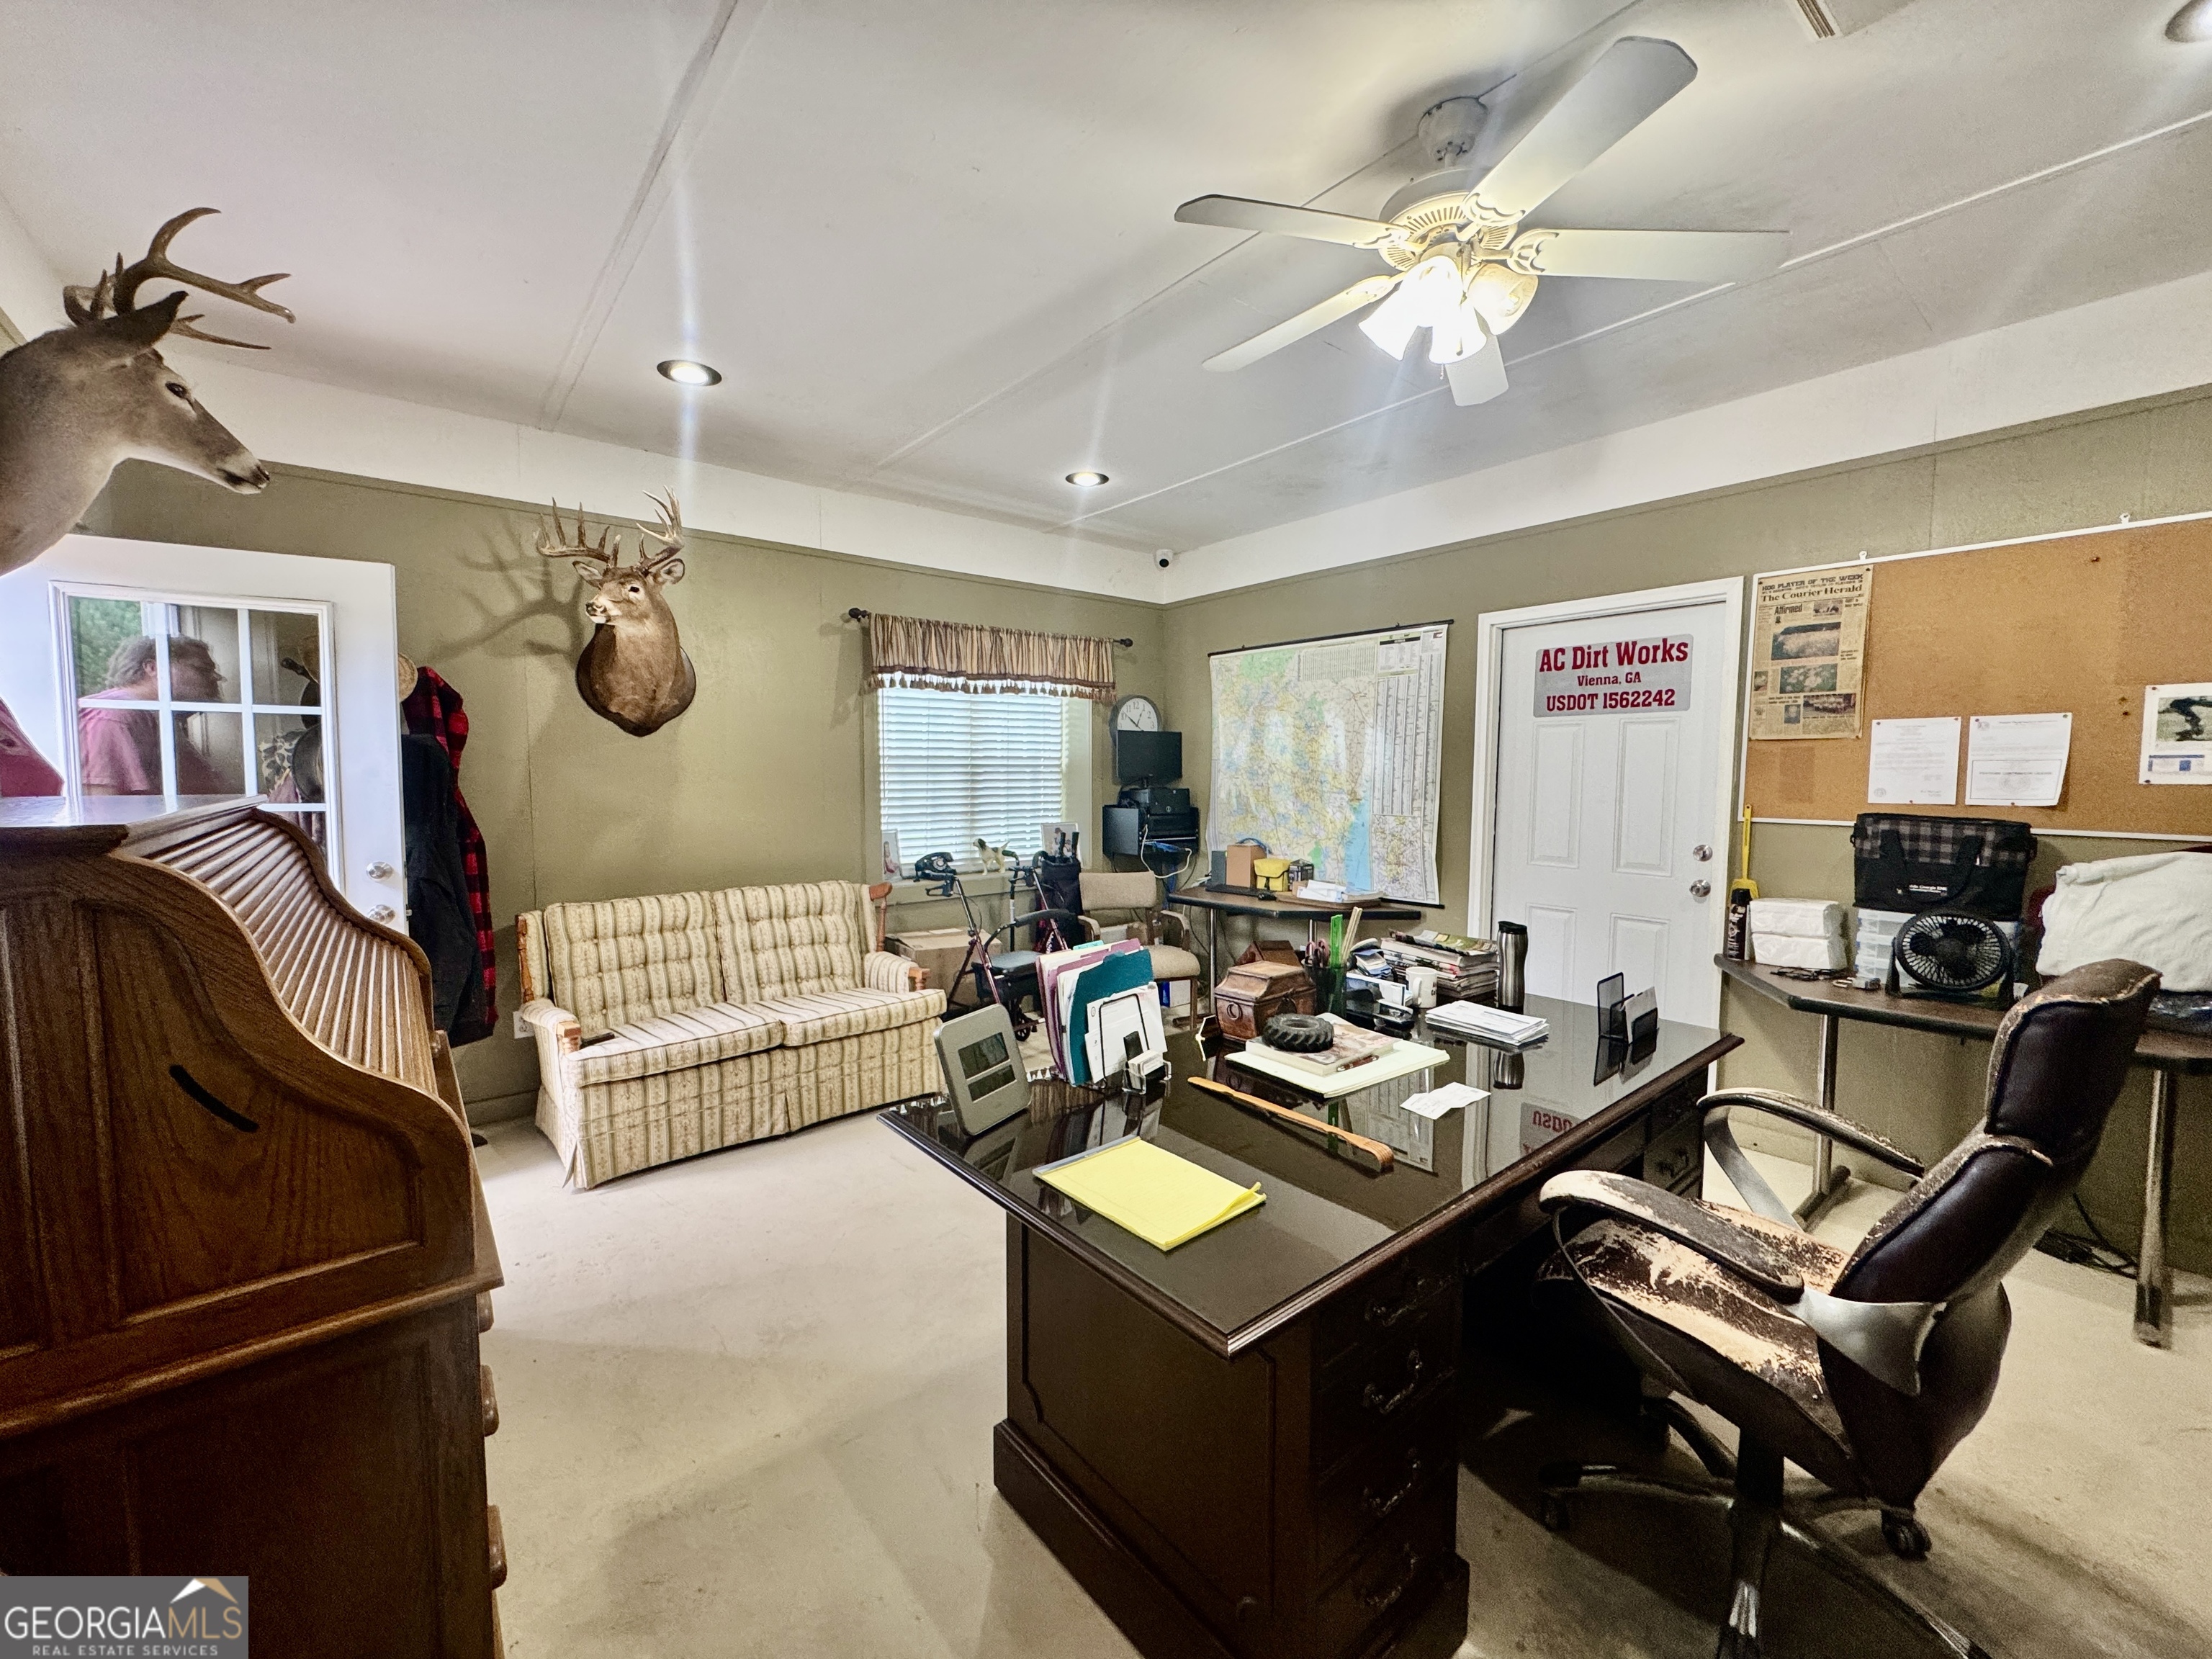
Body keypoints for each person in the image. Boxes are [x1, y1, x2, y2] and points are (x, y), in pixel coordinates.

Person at [78, 635, 233, 796]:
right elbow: (99, 808)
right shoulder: (112, 717)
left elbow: (203, 788)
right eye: (202, 669)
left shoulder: (157, 715)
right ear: (153, 668)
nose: (217, 677)